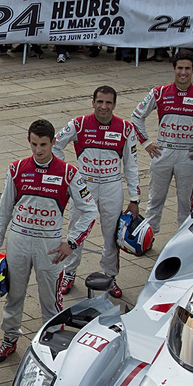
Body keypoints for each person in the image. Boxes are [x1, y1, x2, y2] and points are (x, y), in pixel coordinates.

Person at [0, 119, 97, 364]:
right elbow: (4, 209)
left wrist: (72, 243)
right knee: (14, 295)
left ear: (53, 142)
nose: (38, 150)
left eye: (44, 145)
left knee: (50, 299)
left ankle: (53, 343)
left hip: (50, 245)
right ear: (29, 141)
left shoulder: (69, 173)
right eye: (34, 144)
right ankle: (9, 339)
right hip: (19, 240)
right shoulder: (16, 168)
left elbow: (90, 210)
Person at [130, 49, 193, 234]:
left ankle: (184, 242)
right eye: (180, 68)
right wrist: (146, 143)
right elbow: (136, 117)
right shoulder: (159, 92)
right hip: (162, 152)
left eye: (188, 69)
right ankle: (148, 238)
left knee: (186, 204)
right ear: (173, 68)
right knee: (154, 201)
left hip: (189, 156)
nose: (183, 73)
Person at [55, 88, 140, 297]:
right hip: (85, 185)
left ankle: (110, 277)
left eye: (108, 102)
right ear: (92, 102)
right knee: (76, 232)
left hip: (112, 186)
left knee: (112, 236)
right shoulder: (79, 124)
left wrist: (135, 198)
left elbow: (131, 166)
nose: (104, 107)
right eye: (100, 102)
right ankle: (69, 273)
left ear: (115, 104)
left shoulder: (126, 129)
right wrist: (67, 176)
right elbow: (56, 145)